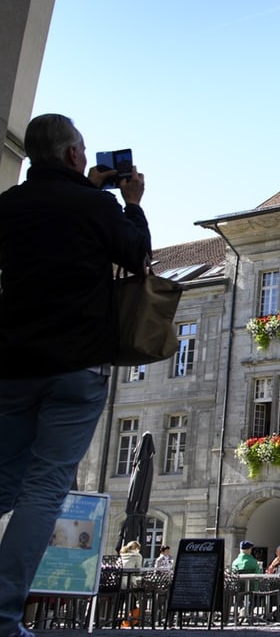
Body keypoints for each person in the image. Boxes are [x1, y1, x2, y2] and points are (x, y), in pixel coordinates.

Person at [0, 113, 150, 637]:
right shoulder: (95, 206)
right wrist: (130, 203)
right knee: (44, 489)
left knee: (2, 484)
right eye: (83, 151)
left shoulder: (9, 206)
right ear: (71, 155)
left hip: (14, 364)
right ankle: (3, 616)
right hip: (75, 364)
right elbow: (137, 257)